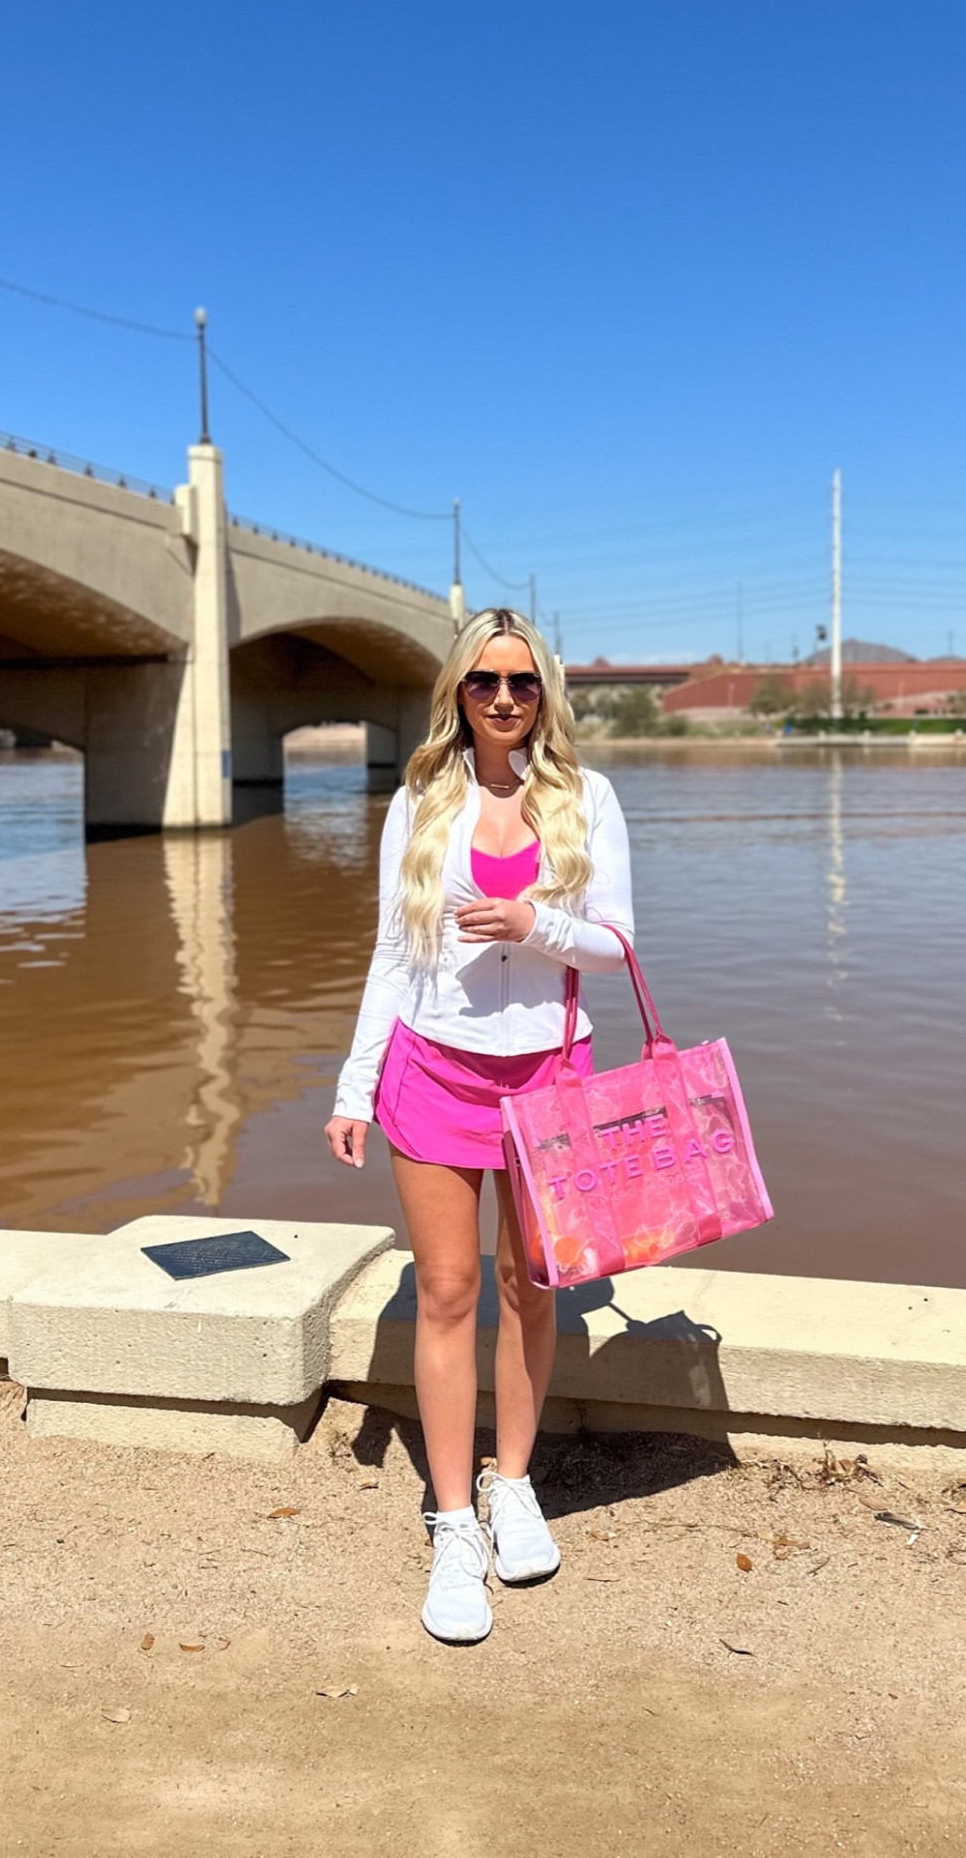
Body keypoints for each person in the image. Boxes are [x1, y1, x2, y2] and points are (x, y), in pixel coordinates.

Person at [326, 606, 634, 1643]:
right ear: (456, 692)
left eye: (522, 682)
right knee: (448, 1289)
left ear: (544, 691)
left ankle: (514, 1484)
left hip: (551, 1074)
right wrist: (352, 1085)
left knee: (531, 1288)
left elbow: (617, 946)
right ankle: (453, 1519)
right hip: (433, 1069)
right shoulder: (420, 799)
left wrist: (533, 921)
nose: (503, 698)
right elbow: (388, 954)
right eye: (482, 681)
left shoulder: (588, 799)